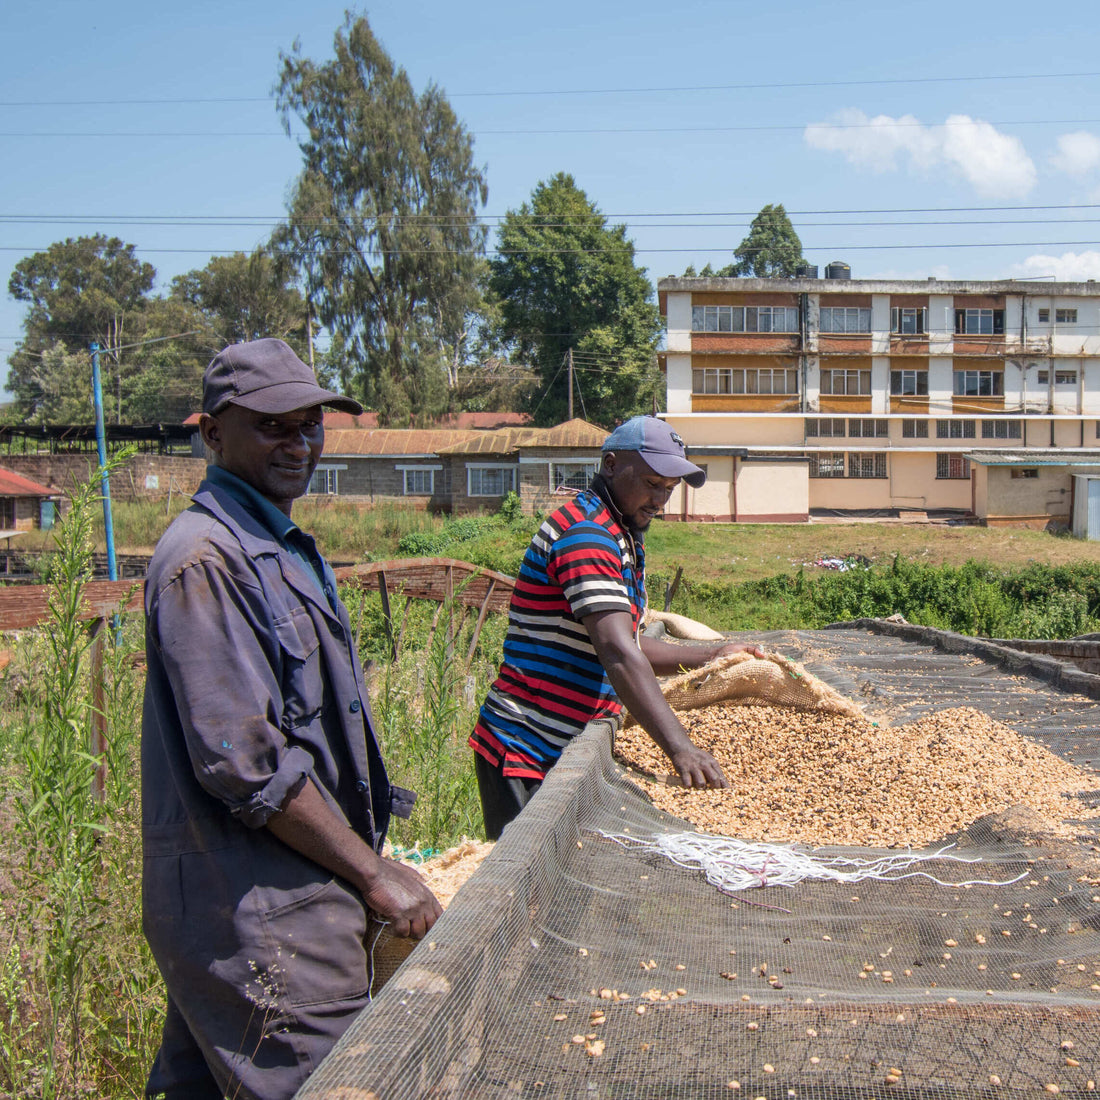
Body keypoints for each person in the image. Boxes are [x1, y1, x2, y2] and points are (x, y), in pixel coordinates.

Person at [141, 338, 441, 1100]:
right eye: (274, 426)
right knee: (331, 1082)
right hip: (264, 917)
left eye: (311, 425)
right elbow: (248, 764)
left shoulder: (276, 543)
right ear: (211, 433)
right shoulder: (207, 561)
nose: (299, 443)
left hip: (277, 899)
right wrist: (375, 874)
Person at [469, 414, 765, 840]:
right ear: (610, 465)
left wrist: (712, 654)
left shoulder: (620, 529)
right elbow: (618, 653)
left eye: (668, 488)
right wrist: (680, 749)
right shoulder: (585, 535)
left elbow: (627, 642)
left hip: (564, 743)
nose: (660, 499)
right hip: (528, 745)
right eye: (650, 483)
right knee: (527, 889)